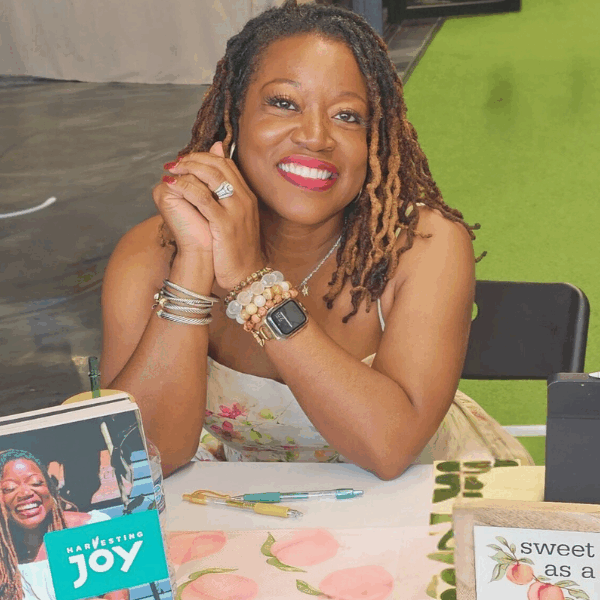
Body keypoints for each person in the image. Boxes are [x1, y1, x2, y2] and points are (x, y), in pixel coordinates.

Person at [100, 0, 532, 480]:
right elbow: (141, 459)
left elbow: (389, 448)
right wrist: (194, 263)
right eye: (284, 103)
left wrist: (252, 284)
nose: (316, 137)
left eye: (348, 116)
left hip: (424, 497)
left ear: (375, 139)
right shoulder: (151, 253)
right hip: (255, 511)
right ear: (234, 116)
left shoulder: (426, 245)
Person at [0, 449, 129, 600]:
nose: (25, 493)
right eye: (9, 488)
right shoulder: (3, 559)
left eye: (36, 482)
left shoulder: (93, 529)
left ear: (50, 488)